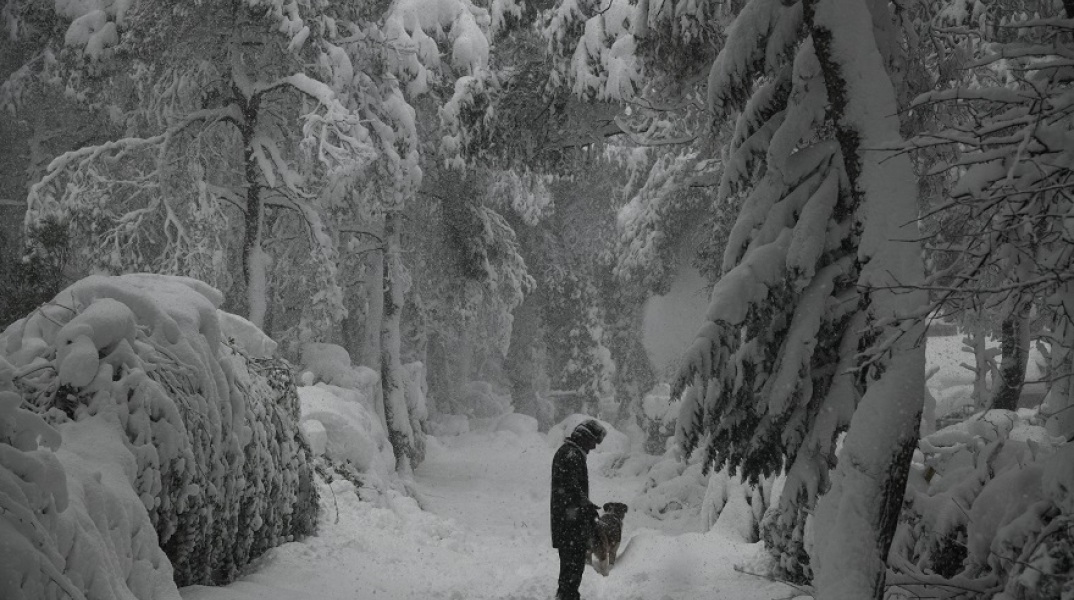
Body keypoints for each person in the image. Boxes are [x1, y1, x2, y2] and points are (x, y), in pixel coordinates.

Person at [550, 419, 606, 600]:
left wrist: (586, 506)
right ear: (584, 437)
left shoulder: (569, 452)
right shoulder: (571, 455)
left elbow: (571, 489)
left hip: (567, 520)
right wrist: (587, 508)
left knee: (569, 567)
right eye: (593, 442)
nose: (594, 447)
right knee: (573, 566)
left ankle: (566, 595)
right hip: (570, 523)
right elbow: (572, 489)